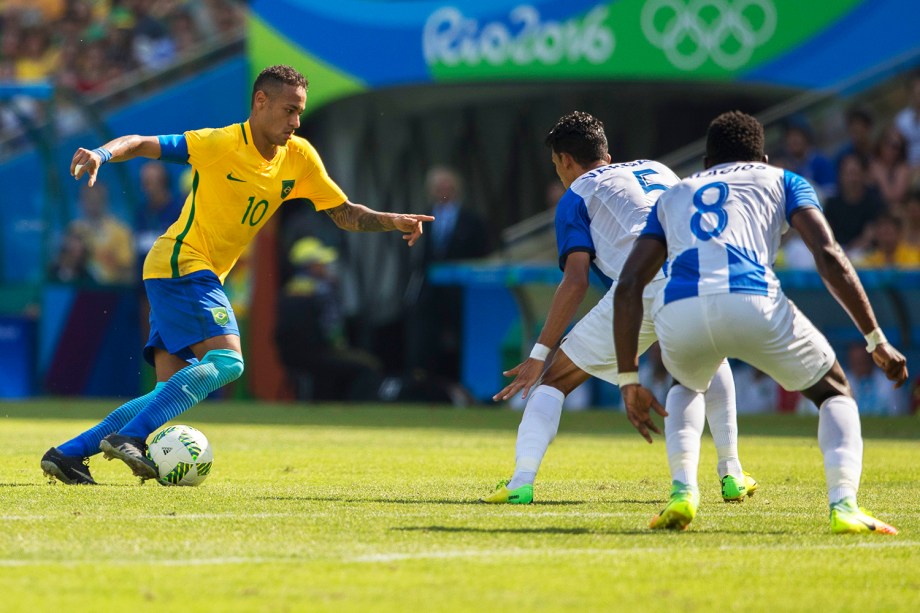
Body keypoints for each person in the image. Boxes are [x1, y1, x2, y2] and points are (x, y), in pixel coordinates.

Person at [40, 64, 434, 485]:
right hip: (183, 261)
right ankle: (131, 437)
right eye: (288, 110)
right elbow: (140, 143)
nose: (295, 122)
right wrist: (101, 153)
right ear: (260, 102)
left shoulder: (298, 157)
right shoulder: (220, 143)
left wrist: (391, 220)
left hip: (183, 271)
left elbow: (345, 213)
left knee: (164, 393)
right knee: (228, 361)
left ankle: (68, 454)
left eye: (299, 112)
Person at [613, 110, 908, 533]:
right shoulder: (784, 180)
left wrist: (628, 380)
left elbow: (628, 284)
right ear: (764, 158)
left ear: (704, 166)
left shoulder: (674, 194)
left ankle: (682, 493)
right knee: (834, 390)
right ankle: (844, 506)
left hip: (680, 308)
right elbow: (829, 256)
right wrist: (875, 338)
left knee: (686, 383)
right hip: (752, 300)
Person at [482, 111, 756, 505]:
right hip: (701, 274)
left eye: (556, 165)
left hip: (640, 286)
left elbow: (575, 281)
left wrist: (539, 354)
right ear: (605, 152)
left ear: (565, 161)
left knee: (554, 381)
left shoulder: (574, 196)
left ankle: (521, 482)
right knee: (714, 362)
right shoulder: (658, 168)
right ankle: (731, 472)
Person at [407, 166, 491, 381]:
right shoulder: (421, 219)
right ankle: (429, 383)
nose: (443, 191)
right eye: (438, 187)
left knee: (462, 337)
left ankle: (462, 382)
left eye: (447, 186)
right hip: (430, 290)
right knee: (427, 338)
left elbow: (481, 254)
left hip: (461, 291)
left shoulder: (471, 221)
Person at [275, 237, 382, 401]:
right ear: (311, 266)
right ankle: (355, 409)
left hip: (291, 355)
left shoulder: (290, 288)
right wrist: (339, 346)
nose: (327, 267)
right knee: (368, 367)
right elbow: (332, 330)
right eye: (322, 263)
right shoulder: (322, 290)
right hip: (317, 353)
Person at [69, 181, 136, 285]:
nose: (92, 204)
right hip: (81, 291)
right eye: (88, 199)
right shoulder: (75, 230)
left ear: (104, 200)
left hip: (112, 291)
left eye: (95, 199)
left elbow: (128, 270)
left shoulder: (120, 231)